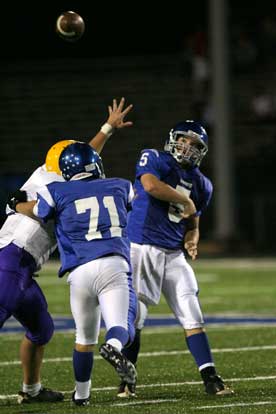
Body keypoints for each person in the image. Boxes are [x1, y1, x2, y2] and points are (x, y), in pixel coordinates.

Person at [0, 97, 133, 404]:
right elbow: (79, 164)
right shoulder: (56, 182)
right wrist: (16, 204)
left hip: (25, 268)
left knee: (42, 329)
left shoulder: (58, 177)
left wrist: (107, 129)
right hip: (10, 259)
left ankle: (31, 391)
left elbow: (82, 157)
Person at [13, 142, 156, 407]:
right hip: (113, 263)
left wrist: (16, 205)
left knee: (84, 338)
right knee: (121, 325)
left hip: (79, 271)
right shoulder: (121, 186)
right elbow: (132, 205)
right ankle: (113, 345)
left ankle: (81, 395)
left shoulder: (56, 190)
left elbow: (36, 210)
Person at [118, 120, 234, 397]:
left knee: (192, 311)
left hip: (173, 253)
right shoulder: (155, 158)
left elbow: (193, 223)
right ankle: (127, 381)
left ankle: (210, 378)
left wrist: (192, 237)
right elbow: (150, 186)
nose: (188, 147)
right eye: (184, 140)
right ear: (174, 139)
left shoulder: (203, 184)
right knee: (137, 318)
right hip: (142, 246)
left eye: (195, 145)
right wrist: (187, 202)